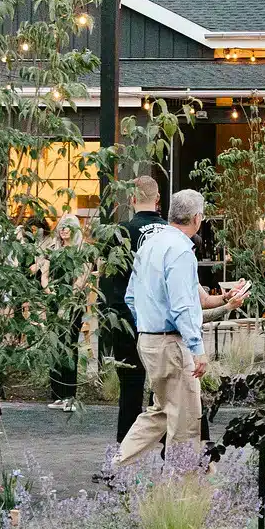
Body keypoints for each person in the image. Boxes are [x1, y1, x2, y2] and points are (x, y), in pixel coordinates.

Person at [117, 189, 247, 468]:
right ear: (197, 218)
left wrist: (148, 323)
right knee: (186, 421)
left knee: (161, 411)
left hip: (149, 340)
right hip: (171, 343)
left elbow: (131, 296)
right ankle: (181, 490)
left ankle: (116, 465)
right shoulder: (180, 251)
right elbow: (182, 307)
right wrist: (197, 348)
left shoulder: (150, 245)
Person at [98, 175, 166, 446]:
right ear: (158, 199)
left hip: (125, 318)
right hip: (162, 322)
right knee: (164, 385)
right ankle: (166, 446)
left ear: (132, 199)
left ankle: (125, 451)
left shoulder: (120, 233)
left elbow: (108, 279)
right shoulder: (170, 233)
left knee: (130, 385)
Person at [44, 213, 87, 414]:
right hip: (54, 300)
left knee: (69, 345)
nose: (63, 230)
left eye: (68, 226)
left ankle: (70, 395)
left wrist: (67, 301)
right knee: (55, 344)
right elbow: (45, 275)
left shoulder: (81, 251)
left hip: (73, 303)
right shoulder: (52, 250)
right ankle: (57, 394)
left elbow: (81, 279)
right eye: (61, 226)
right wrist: (49, 291)